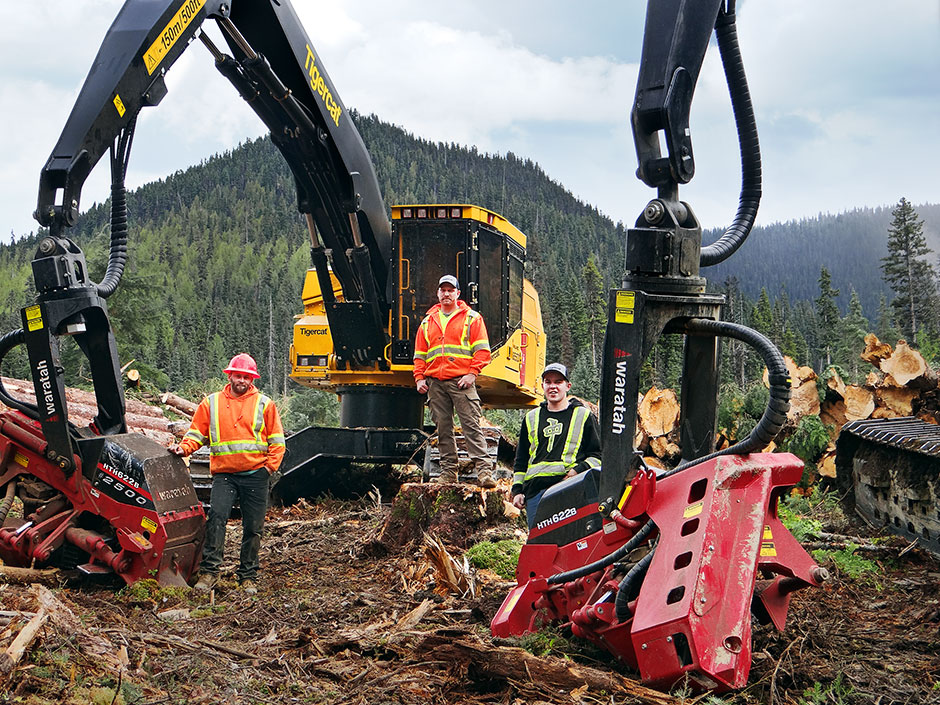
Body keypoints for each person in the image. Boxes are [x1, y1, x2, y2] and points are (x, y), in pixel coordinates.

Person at [170, 353, 285, 594]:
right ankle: (209, 573)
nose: (241, 380)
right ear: (229, 375)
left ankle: (248, 576)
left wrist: (268, 468)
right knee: (216, 520)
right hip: (225, 475)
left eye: (246, 376)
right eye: (238, 375)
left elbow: (277, 441)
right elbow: (196, 434)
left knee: (253, 527)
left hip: (256, 474)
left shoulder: (265, 404)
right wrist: (184, 448)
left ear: (252, 379)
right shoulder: (211, 403)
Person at [413, 274, 496, 488]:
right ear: (438, 293)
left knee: (471, 426)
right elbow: (420, 355)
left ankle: (484, 473)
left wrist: (471, 374)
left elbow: (483, 352)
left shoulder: (472, 318)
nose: (447, 293)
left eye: (451, 290)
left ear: (458, 293)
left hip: (462, 382)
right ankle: (449, 472)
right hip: (435, 383)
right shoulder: (427, 321)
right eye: (443, 290)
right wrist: (419, 377)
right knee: (443, 429)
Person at [511, 363, 601, 529]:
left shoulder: (583, 415)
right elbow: (521, 458)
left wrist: (577, 471)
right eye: (548, 381)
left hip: (570, 488)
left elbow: (598, 455)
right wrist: (517, 490)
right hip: (535, 493)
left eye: (558, 382)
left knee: (571, 541)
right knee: (540, 545)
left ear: (568, 386)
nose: (553, 386)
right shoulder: (531, 418)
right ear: (543, 385)